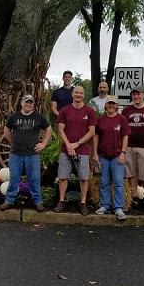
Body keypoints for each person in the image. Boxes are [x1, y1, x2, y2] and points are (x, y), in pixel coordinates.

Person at [0, 94, 52, 212]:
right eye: (26, 102)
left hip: (32, 155)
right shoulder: (14, 117)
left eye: (31, 102)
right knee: (14, 178)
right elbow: (7, 130)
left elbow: (48, 129)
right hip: (15, 154)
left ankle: (37, 201)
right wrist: (12, 141)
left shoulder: (38, 117)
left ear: (33, 104)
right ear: (21, 103)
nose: (28, 104)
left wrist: (43, 144)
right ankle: (9, 201)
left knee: (34, 178)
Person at [54, 86, 96, 215]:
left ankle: (83, 203)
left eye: (81, 93)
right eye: (76, 92)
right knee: (63, 177)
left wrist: (76, 144)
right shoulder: (64, 110)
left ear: (84, 95)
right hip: (65, 150)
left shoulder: (89, 111)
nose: (78, 95)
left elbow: (92, 131)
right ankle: (61, 201)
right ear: (72, 94)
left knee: (83, 178)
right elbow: (60, 129)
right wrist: (68, 145)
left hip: (83, 150)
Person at [92, 96, 131, 220]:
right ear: (105, 105)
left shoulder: (122, 119)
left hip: (117, 156)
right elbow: (96, 136)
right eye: (109, 104)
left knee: (118, 182)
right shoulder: (100, 119)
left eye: (113, 104)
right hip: (103, 155)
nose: (111, 106)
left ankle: (118, 208)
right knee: (104, 182)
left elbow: (125, 136)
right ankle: (105, 205)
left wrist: (123, 152)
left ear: (117, 105)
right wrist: (95, 152)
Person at [121, 86, 144, 208]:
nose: (136, 97)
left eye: (138, 94)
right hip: (129, 146)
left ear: (143, 95)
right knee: (131, 174)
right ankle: (135, 197)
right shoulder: (126, 111)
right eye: (134, 95)